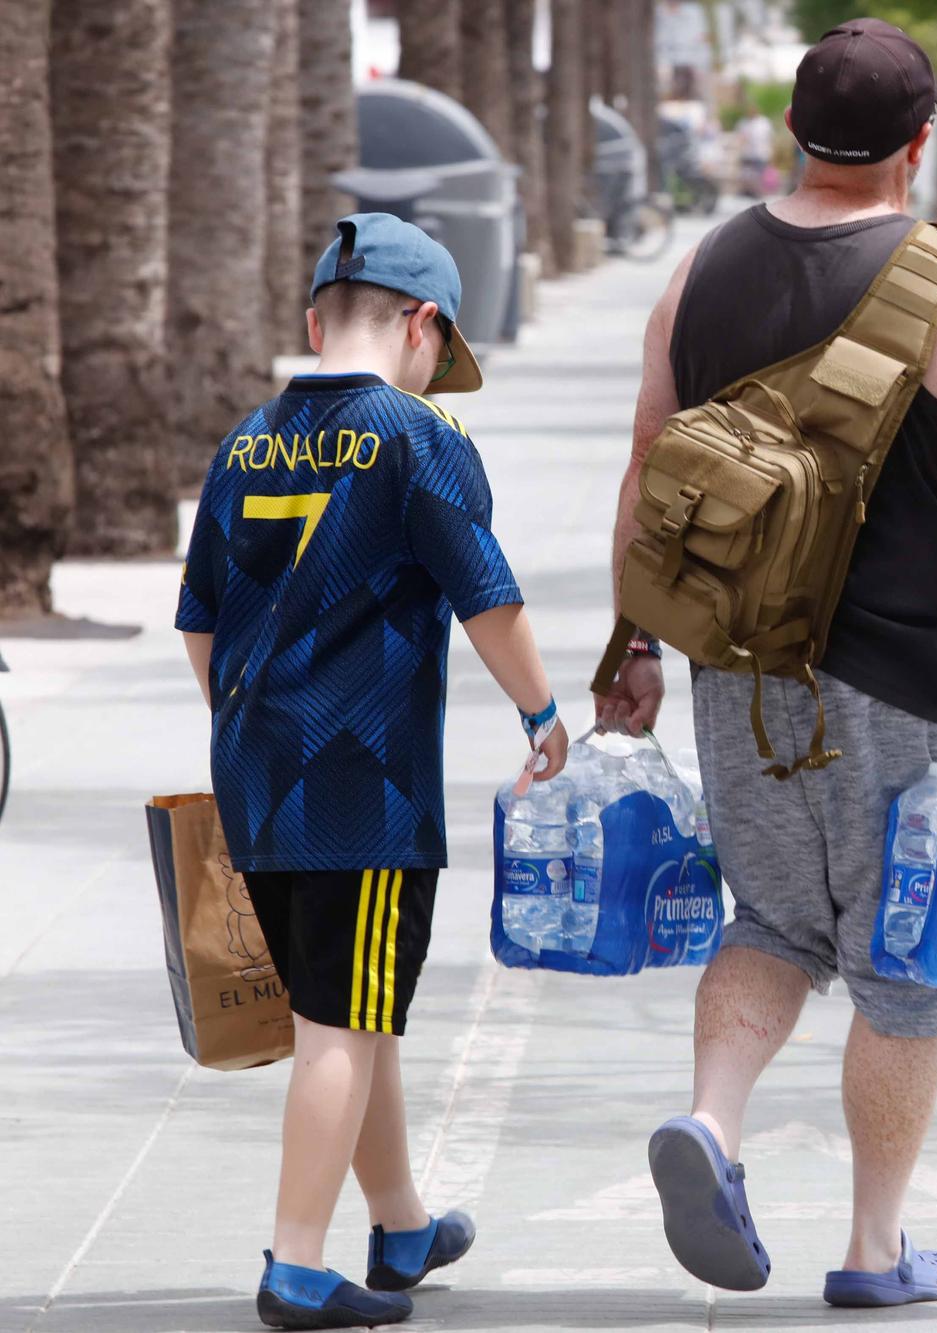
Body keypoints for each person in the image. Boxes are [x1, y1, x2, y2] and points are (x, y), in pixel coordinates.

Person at [595, 16, 937, 1311]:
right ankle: (872, 1250)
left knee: (777, 921)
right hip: (900, 682)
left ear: (795, 132)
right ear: (919, 144)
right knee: (908, 967)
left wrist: (632, 646)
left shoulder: (701, 270)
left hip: (738, 669)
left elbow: (648, 471)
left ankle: (712, 1121)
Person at [176, 213, 570, 1329]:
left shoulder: (244, 440)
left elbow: (199, 618)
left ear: (314, 319)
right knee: (340, 1028)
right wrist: (542, 711)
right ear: (423, 326)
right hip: (365, 789)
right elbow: (486, 596)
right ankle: (296, 1265)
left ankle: (399, 1224)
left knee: (348, 1003)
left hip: (257, 774)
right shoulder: (416, 436)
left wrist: (249, 719)